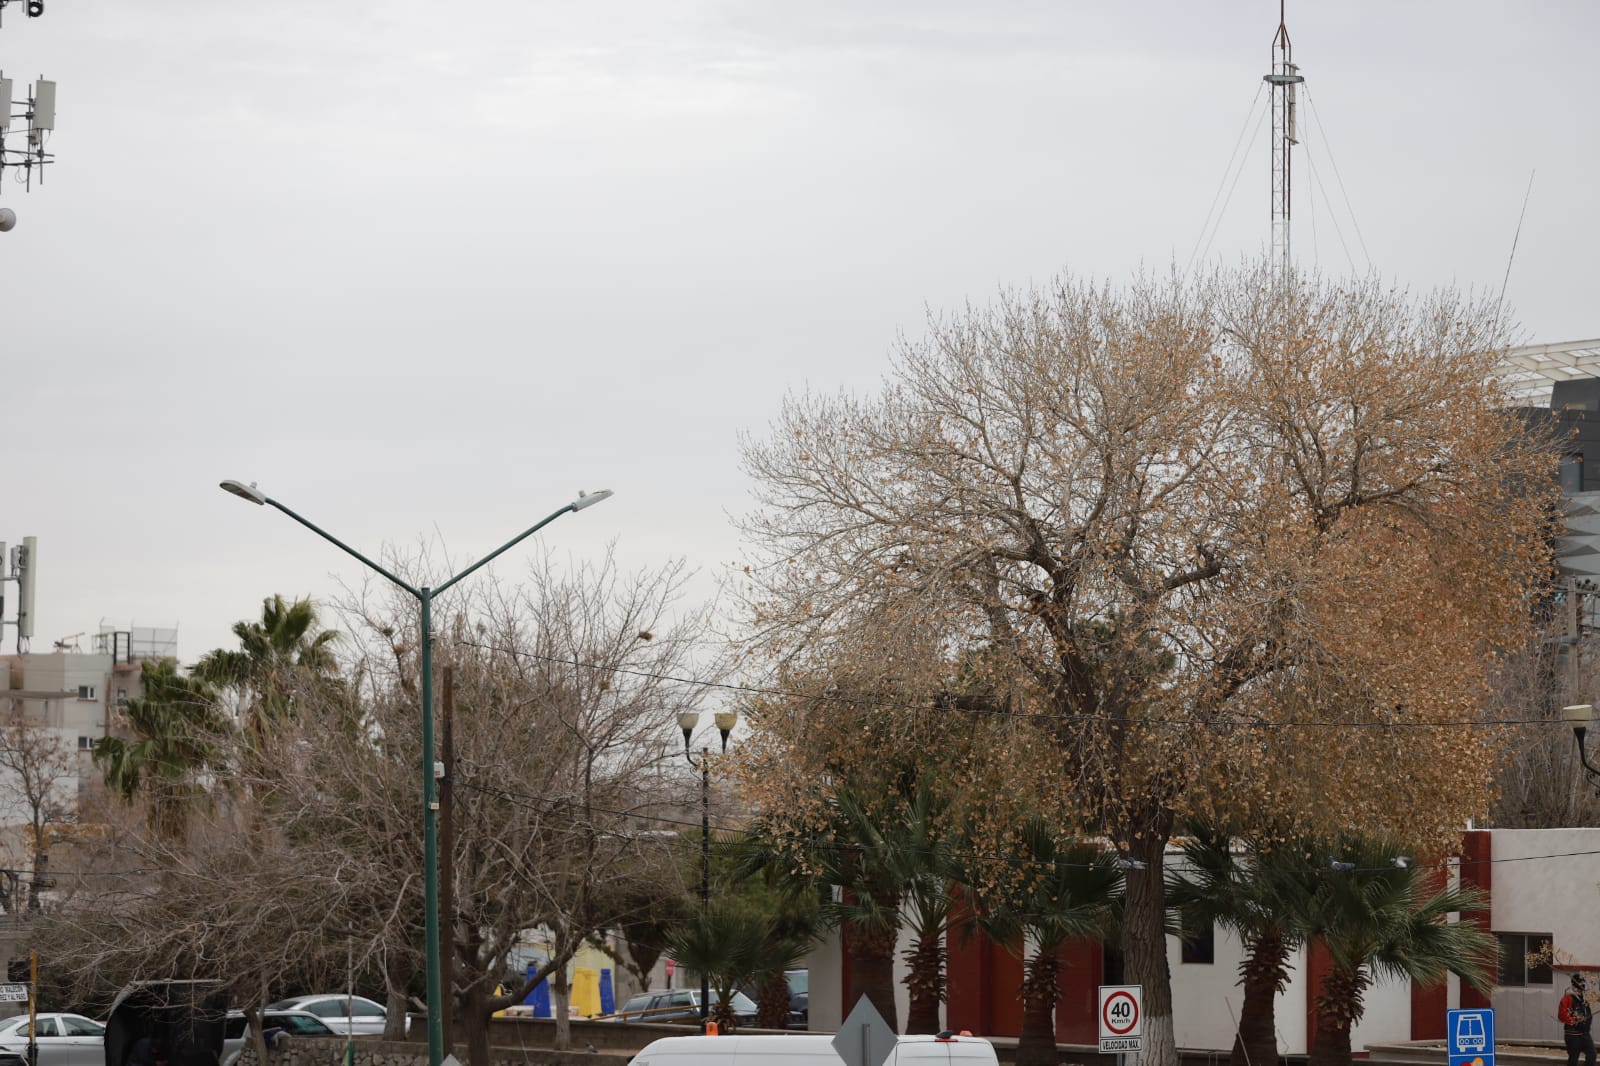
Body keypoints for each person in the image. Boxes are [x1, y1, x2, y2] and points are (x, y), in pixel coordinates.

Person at [1562, 972, 1595, 1066]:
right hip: (1573, 1035)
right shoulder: (1568, 997)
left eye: (1583, 981)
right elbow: (1563, 1014)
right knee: (1573, 1059)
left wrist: (1587, 1024)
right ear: (1574, 983)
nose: (1583, 983)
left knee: (1592, 1055)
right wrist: (1577, 1023)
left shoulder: (1584, 997)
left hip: (1585, 1034)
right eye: (1580, 982)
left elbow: (1587, 1012)